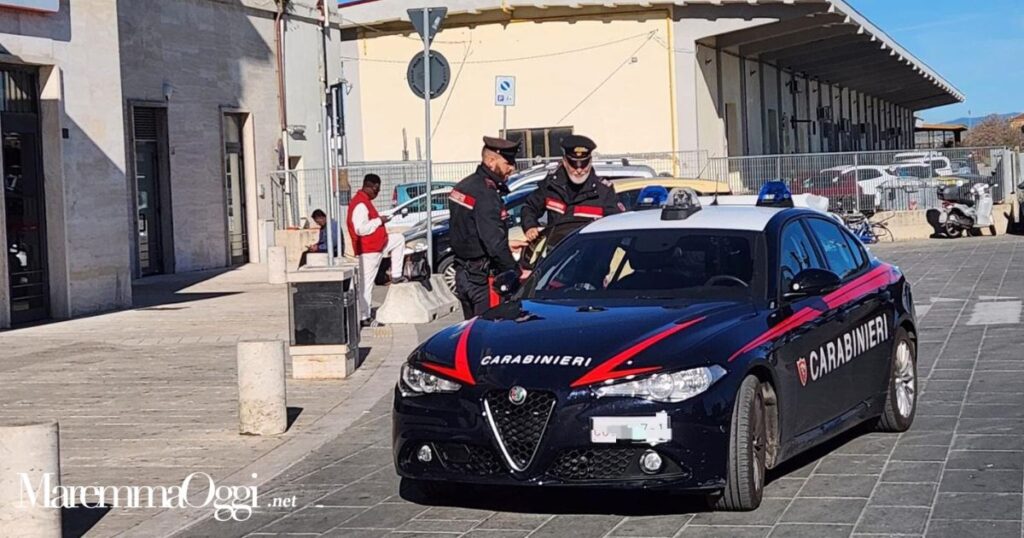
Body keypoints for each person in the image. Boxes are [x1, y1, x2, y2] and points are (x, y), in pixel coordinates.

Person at [449, 136, 521, 319]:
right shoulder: (485, 193)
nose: (511, 168)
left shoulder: (464, 185)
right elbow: (493, 243)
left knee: (470, 330)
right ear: (491, 161)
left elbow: (469, 230)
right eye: (508, 162)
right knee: (486, 334)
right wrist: (516, 273)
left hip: (463, 274)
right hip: (482, 279)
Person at [520, 134, 622, 251]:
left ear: (590, 161)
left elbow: (616, 224)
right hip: (556, 257)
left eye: (584, 164)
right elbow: (529, 207)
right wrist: (530, 226)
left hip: (590, 259)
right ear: (564, 161)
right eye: (574, 164)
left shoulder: (603, 191)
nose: (579, 170)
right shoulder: (551, 185)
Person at [347, 174, 408, 327]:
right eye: (378, 189)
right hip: (369, 250)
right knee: (366, 284)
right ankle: (364, 316)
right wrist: (379, 220)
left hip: (378, 244)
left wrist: (380, 219)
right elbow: (360, 229)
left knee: (398, 239)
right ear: (374, 187)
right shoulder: (360, 204)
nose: (378, 193)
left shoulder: (365, 202)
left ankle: (396, 275)